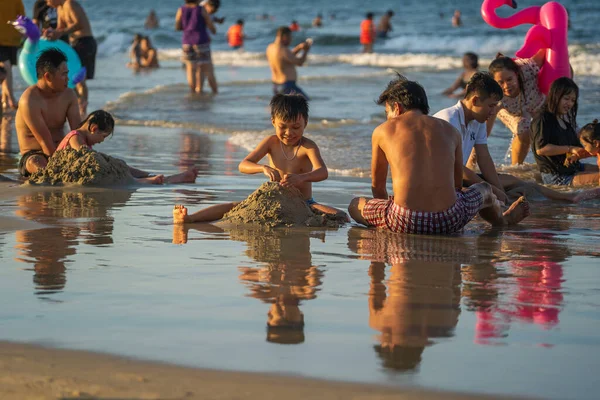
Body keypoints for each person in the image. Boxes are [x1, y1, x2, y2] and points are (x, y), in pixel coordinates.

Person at [348, 74, 530, 235]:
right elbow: (457, 185)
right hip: (449, 220)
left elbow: (378, 187)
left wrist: (389, 213)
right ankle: (501, 221)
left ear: (397, 107)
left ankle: (387, 228)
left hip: (403, 220)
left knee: (355, 204)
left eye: (387, 111)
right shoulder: (451, 130)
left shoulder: (383, 130)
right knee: (484, 190)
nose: (388, 117)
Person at [173, 94, 348, 223]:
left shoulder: (307, 146)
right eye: (283, 127)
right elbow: (243, 165)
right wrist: (263, 168)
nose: (289, 133)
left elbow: (322, 172)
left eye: (296, 127)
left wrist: (301, 178)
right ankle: (190, 218)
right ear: (273, 122)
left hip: (304, 202)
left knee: (342, 217)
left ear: (305, 124)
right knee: (234, 206)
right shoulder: (271, 142)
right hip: (272, 197)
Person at [435, 72, 594, 204]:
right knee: (495, 192)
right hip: (441, 182)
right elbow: (456, 168)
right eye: (491, 106)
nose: (493, 112)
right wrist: (494, 190)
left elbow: (485, 159)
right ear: (475, 100)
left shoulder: (478, 120)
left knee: (522, 183)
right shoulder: (449, 120)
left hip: (458, 177)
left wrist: (499, 191)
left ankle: (571, 197)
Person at [16, 48, 81, 178]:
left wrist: (83, 154)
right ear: (48, 76)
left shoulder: (69, 95)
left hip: (63, 151)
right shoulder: (29, 100)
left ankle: (134, 178)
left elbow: (78, 133)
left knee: (110, 162)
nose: (67, 79)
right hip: (35, 154)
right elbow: (45, 142)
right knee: (37, 162)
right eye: (64, 74)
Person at [55, 110, 166, 184]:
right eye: (103, 136)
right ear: (94, 129)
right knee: (109, 167)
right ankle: (139, 181)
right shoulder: (75, 137)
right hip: (62, 176)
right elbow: (87, 159)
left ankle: (146, 175)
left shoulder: (84, 140)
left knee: (117, 164)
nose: (102, 141)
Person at [531, 77, 600, 187]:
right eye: (566, 98)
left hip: (574, 167)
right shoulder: (543, 119)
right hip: (558, 176)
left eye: (573, 100)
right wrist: (570, 148)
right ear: (555, 96)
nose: (569, 103)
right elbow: (541, 149)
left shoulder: (564, 120)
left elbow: (580, 149)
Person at [488, 51, 546, 165]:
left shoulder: (527, 69)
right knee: (524, 128)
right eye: (500, 82)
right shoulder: (495, 97)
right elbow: (484, 131)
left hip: (533, 104)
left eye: (509, 79)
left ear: (517, 74)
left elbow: (546, 51)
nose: (506, 86)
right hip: (509, 110)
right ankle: (516, 167)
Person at [45, 0, 97, 118]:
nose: (47, 4)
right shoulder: (60, 8)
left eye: (48, 0)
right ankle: (79, 104)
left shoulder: (70, 4)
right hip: (74, 45)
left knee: (79, 79)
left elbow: (79, 24)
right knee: (71, 78)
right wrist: (51, 33)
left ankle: (83, 109)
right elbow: (60, 28)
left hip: (85, 42)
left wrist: (61, 32)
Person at [176, 0, 218, 94]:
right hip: (201, 41)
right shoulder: (201, 9)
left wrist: (188, 27)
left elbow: (178, 26)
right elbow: (210, 24)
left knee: (190, 69)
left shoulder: (181, 10)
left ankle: (193, 91)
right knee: (208, 68)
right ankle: (215, 92)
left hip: (187, 42)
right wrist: (214, 30)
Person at [266, 27, 312, 100]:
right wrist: (306, 51)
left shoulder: (270, 47)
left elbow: (287, 57)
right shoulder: (283, 50)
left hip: (276, 85)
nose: (291, 40)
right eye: (290, 37)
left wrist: (299, 48)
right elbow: (300, 62)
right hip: (287, 86)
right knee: (305, 103)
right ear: (284, 36)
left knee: (283, 110)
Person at [0, 0, 25, 111]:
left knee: (6, 70)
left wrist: (25, 35)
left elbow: (21, 18)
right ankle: (11, 99)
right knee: (7, 66)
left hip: (12, 41)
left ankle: (4, 101)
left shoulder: (16, 1)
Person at [578, 120, 600, 185]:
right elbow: (590, 152)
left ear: (596, 143)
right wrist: (576, 156)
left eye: (585, 145)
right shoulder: (597, 149)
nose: (584, 148)